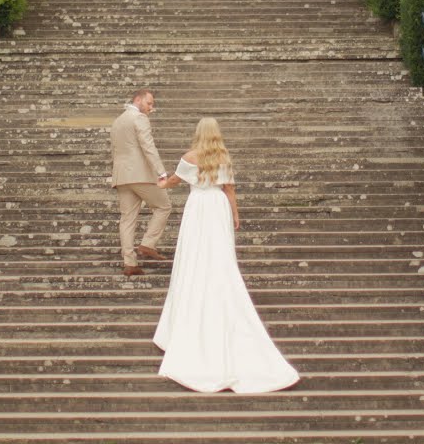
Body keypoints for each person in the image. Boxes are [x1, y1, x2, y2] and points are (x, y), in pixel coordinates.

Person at [153, 117, 299, 393]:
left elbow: (173, 181)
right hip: (217, 206)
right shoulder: (223, 156)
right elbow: (230, 189)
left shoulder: (189, 157)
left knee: (194, 256)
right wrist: (235, 214)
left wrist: (160, 183)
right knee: (219, 256)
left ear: (198, 133)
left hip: (198, 206)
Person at [109, 88, 171, 277]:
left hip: (122, 176)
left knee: (127, 219)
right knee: (164, 206)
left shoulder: (118, 120)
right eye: (149, 103)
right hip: (140, 174)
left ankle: (130, 263)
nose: (151, 108)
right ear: (138, 100)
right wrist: (161, 171)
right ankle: (148, 243)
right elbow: (148, 146)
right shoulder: (140, 118)